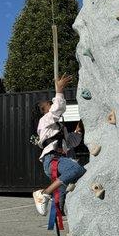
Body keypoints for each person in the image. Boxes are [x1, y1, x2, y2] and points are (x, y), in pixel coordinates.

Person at [33, 74, 86, 217]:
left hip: (60, 161)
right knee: (76, 169)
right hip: (52, 161)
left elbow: (71, 142)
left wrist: (79, 129)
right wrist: (59, 90)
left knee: (61, 202)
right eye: (49, 104)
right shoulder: (44, 120)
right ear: (44, 110)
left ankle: (68, 230)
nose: (51, 104)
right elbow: (58, 108)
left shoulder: (57, 128)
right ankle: (43, 194)